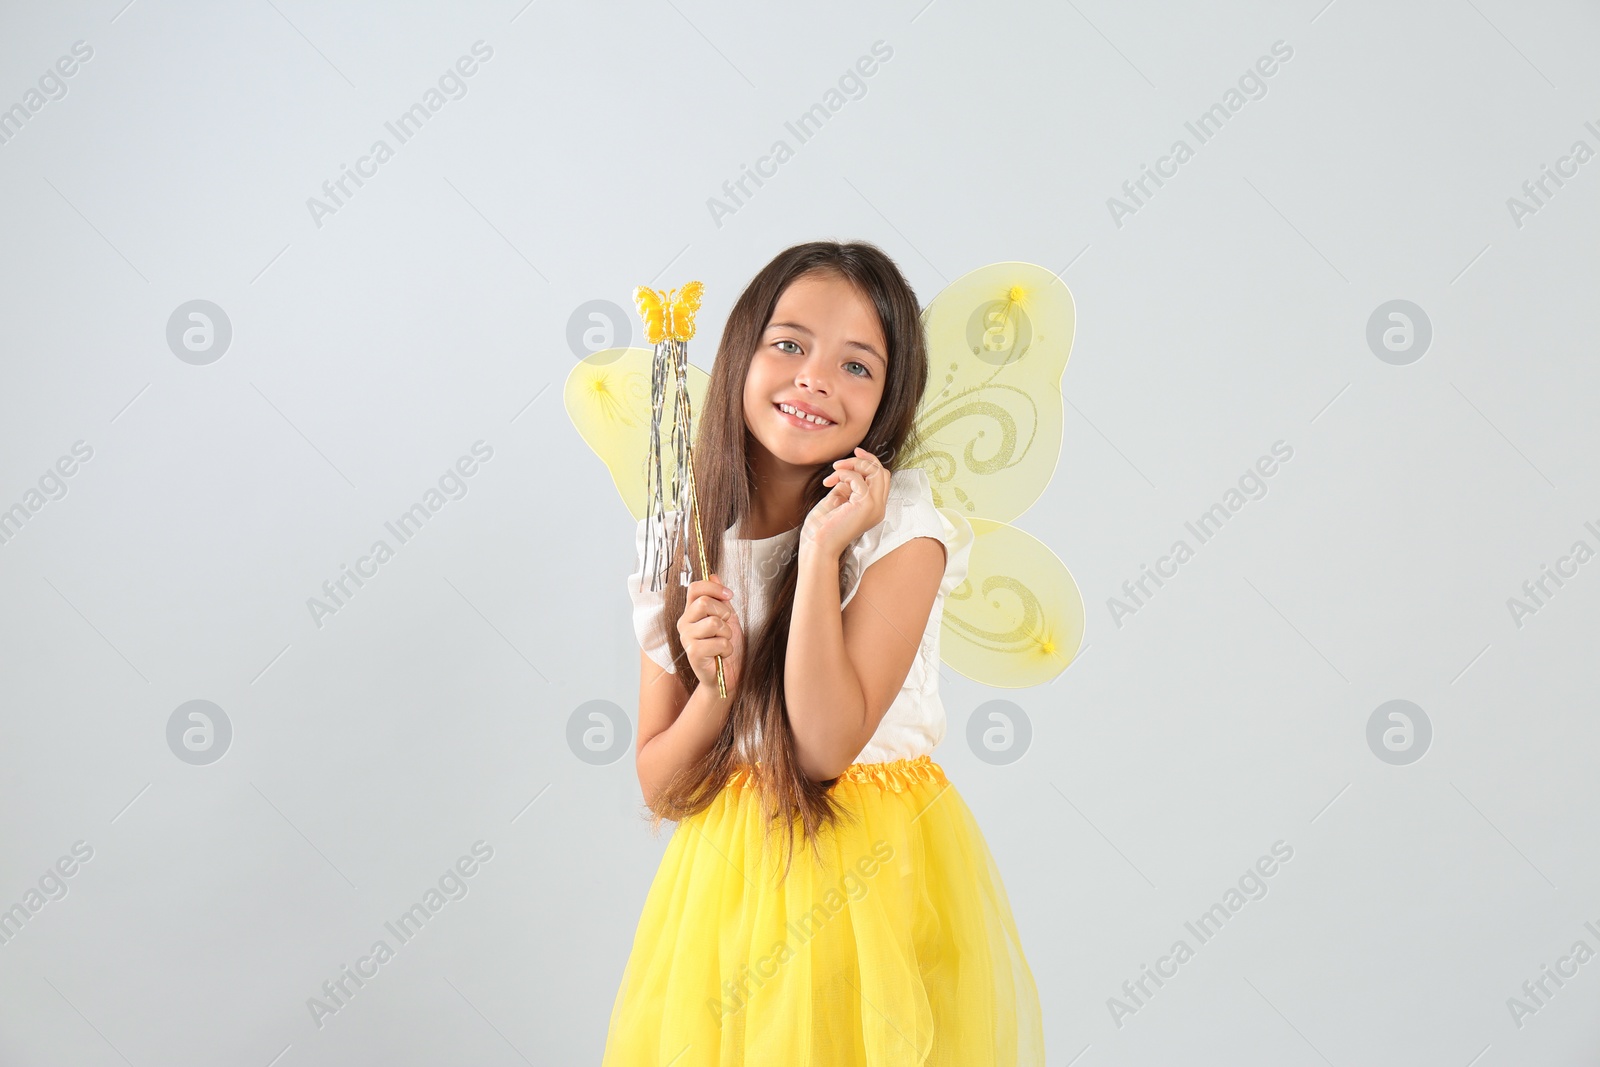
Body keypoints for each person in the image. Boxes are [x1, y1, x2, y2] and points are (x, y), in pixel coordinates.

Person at [603, 240, 1044, 1065]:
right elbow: (661, 784)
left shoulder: (903, 531)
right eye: (790, 344)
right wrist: (714, 687)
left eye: (858, 366)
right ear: (741, 351)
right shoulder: (685, 544)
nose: (815, 378)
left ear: (888, 402)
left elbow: (823, 742)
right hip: (726, 892)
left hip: (867, 877)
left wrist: (817, 552)